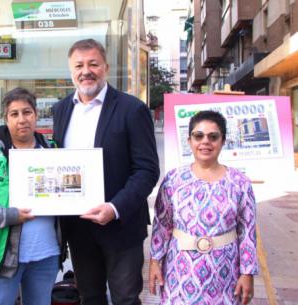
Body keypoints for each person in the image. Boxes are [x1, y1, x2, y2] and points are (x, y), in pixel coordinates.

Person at [52, 39, 160, 305]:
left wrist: (114, 207)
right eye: (79, 65)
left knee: (125, 298)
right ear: (71, 70)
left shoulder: (132, 109)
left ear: (106, 68)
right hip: (78, 226)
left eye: (93, 64)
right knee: (90, 297)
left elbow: (147, 169)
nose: (86, 71)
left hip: (120, 225)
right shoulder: (61, 109)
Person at [0, 87, 61, 305]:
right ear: (5, 118)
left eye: (27, 112)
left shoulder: (51, 150)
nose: (22, 119)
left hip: (46, 254)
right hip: (2, 255)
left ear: (36, 115)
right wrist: (9, 215)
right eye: (14, 114)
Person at [149, 110, 258, 305]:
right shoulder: (174, 180)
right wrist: (155, 262)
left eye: (213, 136)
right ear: (189, 141)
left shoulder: (240, 182)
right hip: (180, 272)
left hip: (225, 273)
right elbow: (162, 225)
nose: (205, 141)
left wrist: (247, 272)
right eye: (198, 136)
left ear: (223, 141)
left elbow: (247, 230)